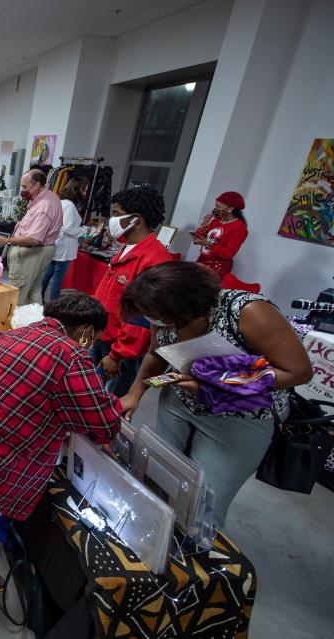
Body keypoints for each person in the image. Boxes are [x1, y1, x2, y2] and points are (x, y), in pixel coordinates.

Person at [0, 293, 121, 592]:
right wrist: (123, 403)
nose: (91, 344)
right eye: (93, 337)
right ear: (85, 331)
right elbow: (102, 421)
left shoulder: (21, 333)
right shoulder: (71, 354)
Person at [119, 262, 312, 526]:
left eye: (159, 317)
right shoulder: (161, 312)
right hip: (179, 401)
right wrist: (135, 393)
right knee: (156, 477)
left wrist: (216, 385)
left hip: (240, 418)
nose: (156, 323)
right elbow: (156, 351)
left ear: (186, 308)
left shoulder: (247, 312)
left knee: (201, 507)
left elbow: (297, 372)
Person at [91, 186, 173, 397]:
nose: (112, 219)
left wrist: (118, 355)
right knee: (89, 392)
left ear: (136, 219)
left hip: (120, 350)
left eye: (117, 214)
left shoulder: (154, 259)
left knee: (110, 402)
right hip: (102, 335)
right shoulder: (127, 248)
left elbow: (142, 318)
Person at [0, 169, 63, 306]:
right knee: (34, 291)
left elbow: (34, 238)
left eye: (24, 187)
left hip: (32, 252)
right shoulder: (49, 196)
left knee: (17, 294)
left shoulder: (44, 206)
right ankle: (32, 324)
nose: (22, 190)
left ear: (36, 185)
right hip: (41, 251)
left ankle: (15, 325)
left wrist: (6, 240)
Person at [41, 176, 88, 300]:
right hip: (63, 247)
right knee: (57, 278)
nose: (85, 193)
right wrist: (85, 231)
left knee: (48, 276)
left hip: (57, 244)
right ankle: (54, 305)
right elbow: (67, 228)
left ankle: (41, 300)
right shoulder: (69, 206)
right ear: (77, 190)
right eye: (84, 190)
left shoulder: (63, 203)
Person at [193, 191, 249, 278]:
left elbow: (229, 253)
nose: (215, 209)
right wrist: (204, 224)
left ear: (230, 208)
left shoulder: (239, 227)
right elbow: (200, 240)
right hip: (202, 261)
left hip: (217, 267)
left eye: (218, 206)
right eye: (215, 205)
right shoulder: (216, 220)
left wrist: (208, 244)